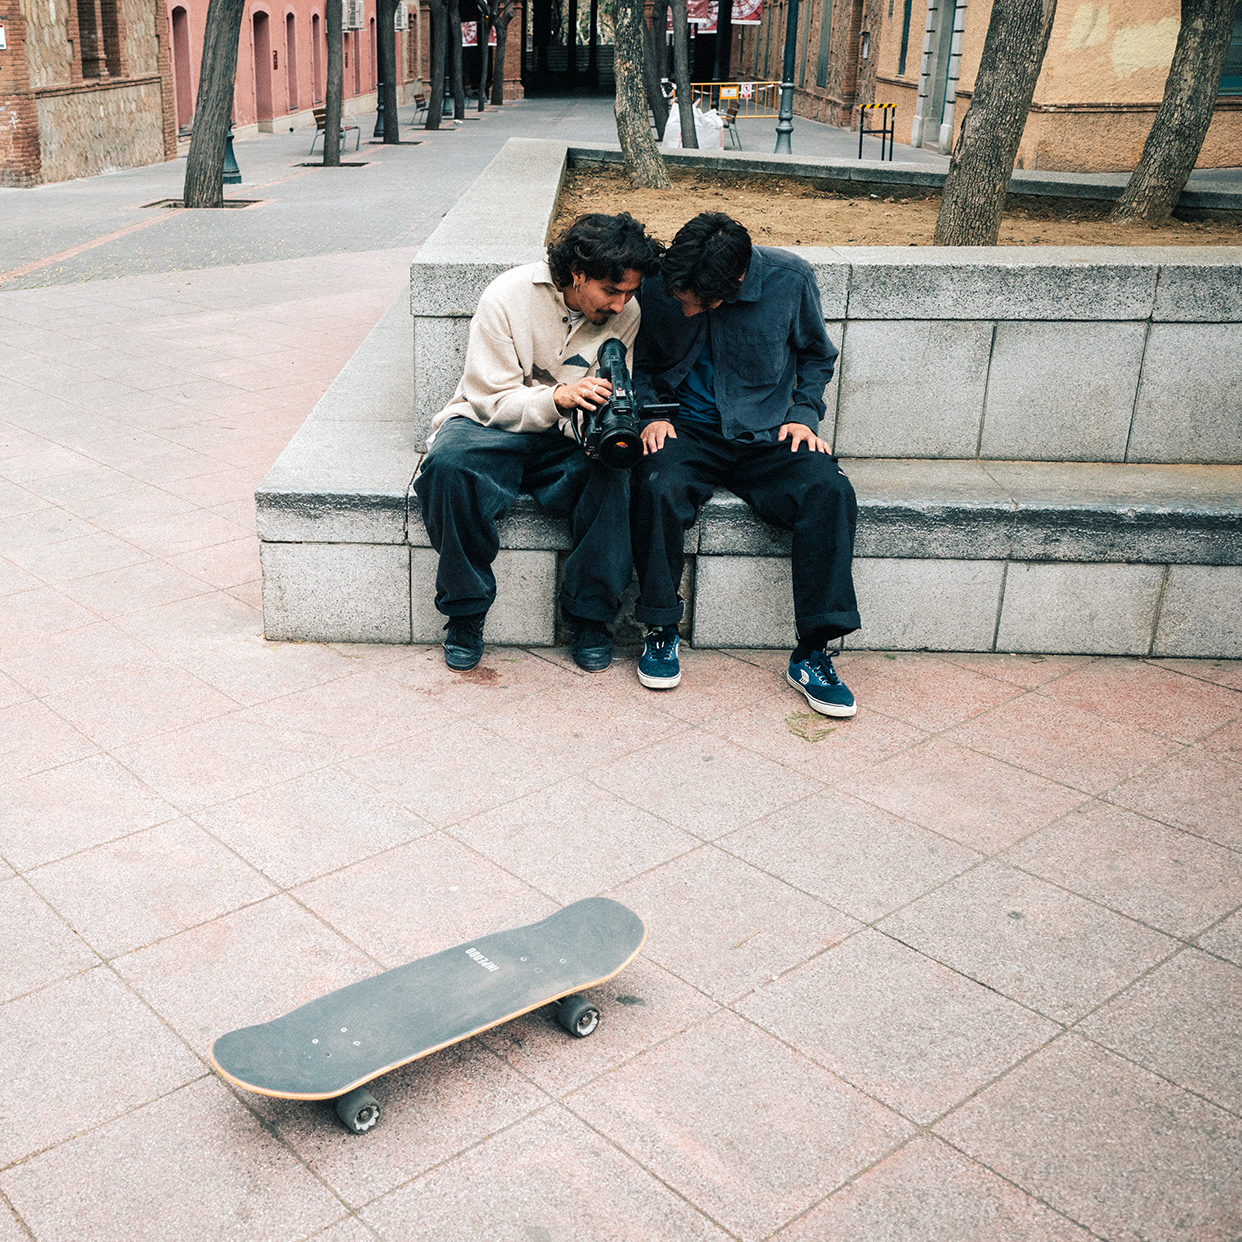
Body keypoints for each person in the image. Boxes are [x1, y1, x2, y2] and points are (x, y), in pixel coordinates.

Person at [630, 212, 861, 716]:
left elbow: (818, 355)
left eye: (698, 302)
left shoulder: (789, 279)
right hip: (684, 429)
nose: (686, 311)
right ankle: (660, 627)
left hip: (768, 433)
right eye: (680, 298)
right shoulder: (660, 284)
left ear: (733, 284)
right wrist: (651, 414)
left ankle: (814, 653)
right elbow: (640, 363)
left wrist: (804, 416)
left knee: (830, 490)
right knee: (653, 482)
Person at [414, 213, 663, 673]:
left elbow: (602, 394)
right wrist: (556, 397)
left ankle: (590, 619)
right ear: (577, 273)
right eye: (612, 291)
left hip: (565, 433)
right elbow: (489, 396)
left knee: (613, 471)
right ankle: (465, 614)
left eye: (630, 292)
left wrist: (600, 417)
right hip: (490, 424)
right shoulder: (507, 296)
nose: (621, 304)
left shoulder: (626, 313)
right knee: (448, 466)